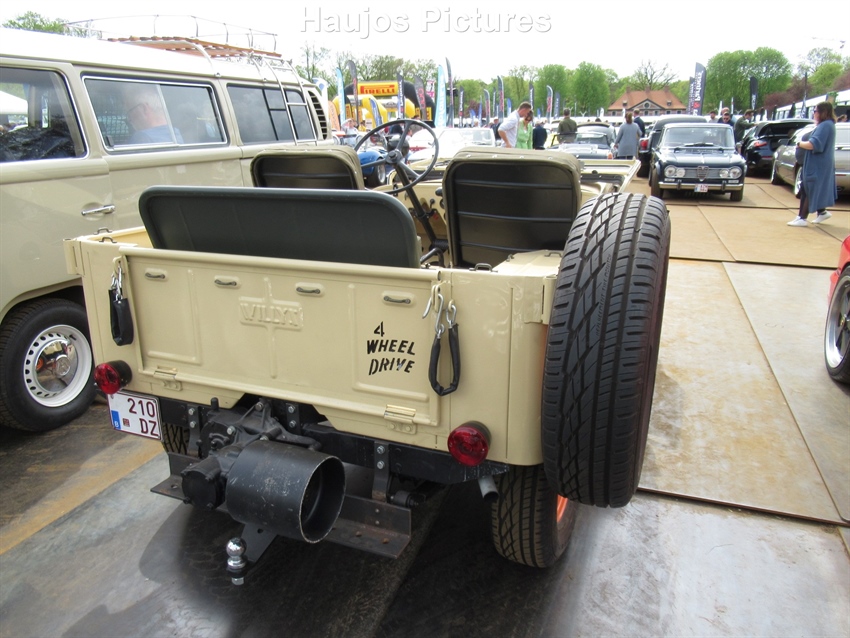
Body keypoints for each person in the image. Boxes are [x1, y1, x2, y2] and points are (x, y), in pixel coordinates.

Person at [787, 101, 837, 227]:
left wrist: (799, 143)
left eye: (815, 111)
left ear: (822, 112)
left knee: (809, 189)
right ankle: (822, 212)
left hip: (817, 165)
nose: (814, 114)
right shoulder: (827, 125)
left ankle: (802, 218)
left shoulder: (825, 126)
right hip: (820, 164)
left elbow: (814, 144)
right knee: (809, 188)